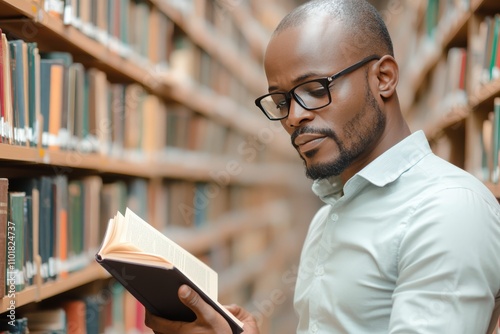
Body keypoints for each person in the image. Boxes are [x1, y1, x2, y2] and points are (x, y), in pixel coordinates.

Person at [145, 0, 500, 333]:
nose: (295, 117)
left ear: (384, 78)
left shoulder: (447, 210)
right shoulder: (328, 216)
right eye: (281, 100)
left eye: (315, 88)